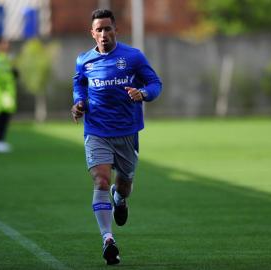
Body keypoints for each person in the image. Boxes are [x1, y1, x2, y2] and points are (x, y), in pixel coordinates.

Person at [71, 9, 162, 265]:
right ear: (92, 33)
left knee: (124, 186)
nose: (103, 34)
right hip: (97, 130)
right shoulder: (84, 61)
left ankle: (119, 198)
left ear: (116, 30)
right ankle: (108, 239)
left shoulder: (133, 57)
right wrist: (78, 103)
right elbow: (79, 84)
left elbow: (156, 84)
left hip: (126, 132)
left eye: (107, 28)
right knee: (100, 180)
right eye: (98, 30)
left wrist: (143, 93)